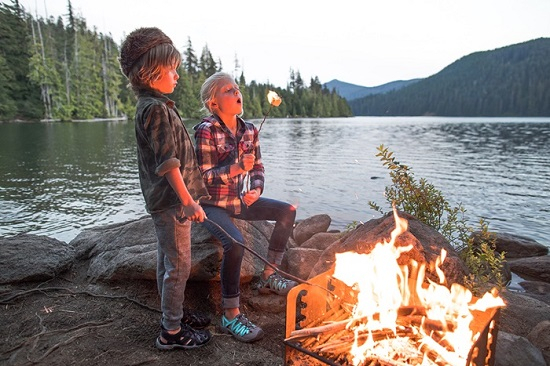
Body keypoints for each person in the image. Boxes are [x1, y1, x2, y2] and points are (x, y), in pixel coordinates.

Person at [118, 27, 211, 350]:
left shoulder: (156, 104)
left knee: (166, 262)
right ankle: (171, 332)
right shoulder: (154, 109)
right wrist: (187, 201)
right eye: (171, 69)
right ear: (149, 73)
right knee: (178, 265)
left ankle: (173, 314)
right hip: (172, 203)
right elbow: (168, 162)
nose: (177, 75)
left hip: (167, 201)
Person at [194, 72, 298, 343]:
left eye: (236, 88)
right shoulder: (206, 130)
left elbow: (259, 167)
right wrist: (237, 168)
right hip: (211, 204)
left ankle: (268, 275)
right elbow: (203, 175)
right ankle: (231, 314)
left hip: (240, 201)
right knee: (235, 243)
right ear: (213, 103)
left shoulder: (250, 129)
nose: (236, 92)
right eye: (228, 90)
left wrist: (256, 188)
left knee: (287, 211)